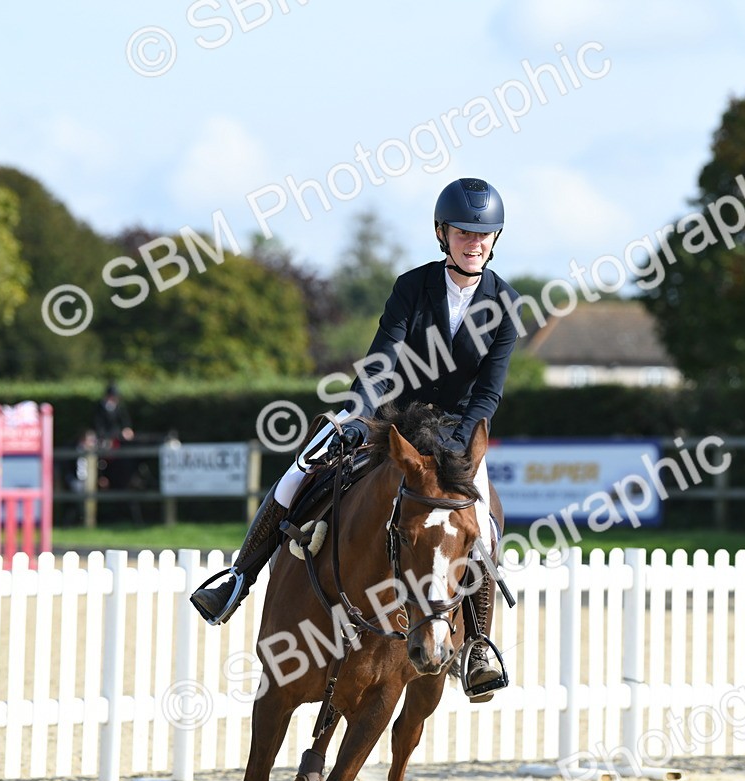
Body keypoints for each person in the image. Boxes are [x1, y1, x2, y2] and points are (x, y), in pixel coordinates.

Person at [191, 178, 520, 701]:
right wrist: (358, 411)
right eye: (463, 232)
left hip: (458, 431)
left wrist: (458, 442)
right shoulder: (413, 286)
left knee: (482, 527)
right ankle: (238, 577)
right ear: (442, 233)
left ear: (496, 238)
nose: (473, 242)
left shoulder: (505, 303)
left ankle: (479, 644)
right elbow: (384, 355)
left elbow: (489, 391)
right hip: (394, 416)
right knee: (304, 463)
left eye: (483, 233)